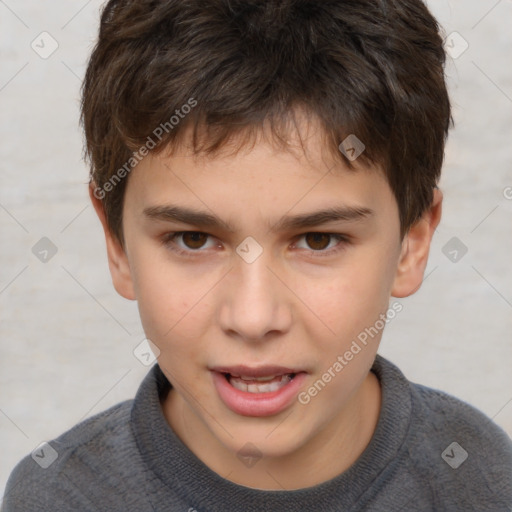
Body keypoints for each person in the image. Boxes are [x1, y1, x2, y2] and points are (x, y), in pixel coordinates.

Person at [3, 0, 512, 510]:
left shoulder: (484, 482)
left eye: (318, 240)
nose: (253, 318)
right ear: (117, 244)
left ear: (413, 242)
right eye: (193, 239)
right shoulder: (55, 498)